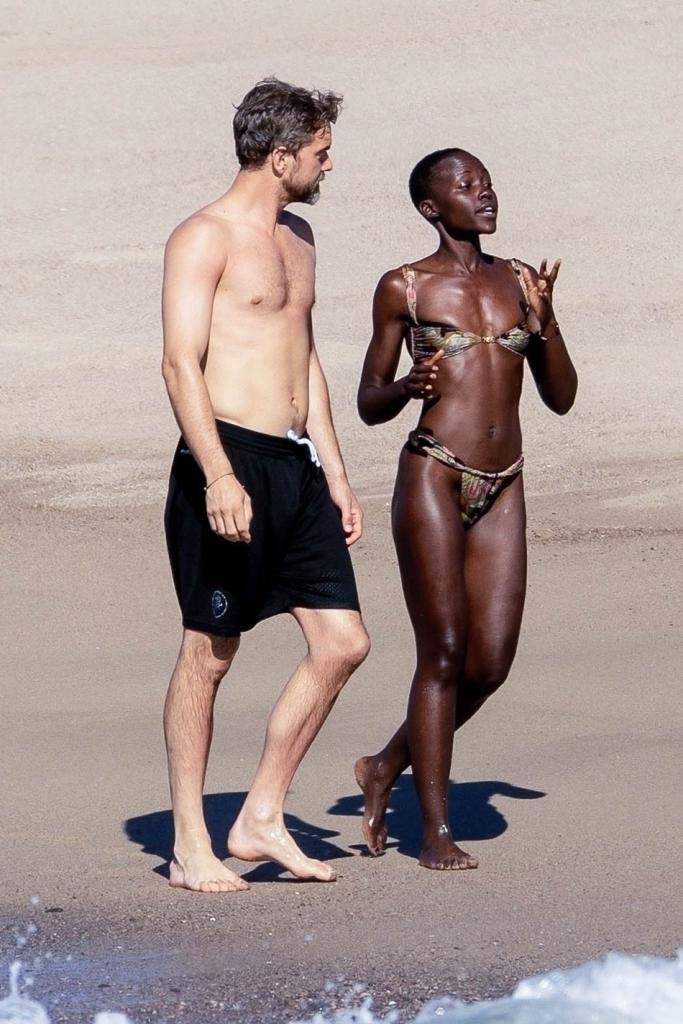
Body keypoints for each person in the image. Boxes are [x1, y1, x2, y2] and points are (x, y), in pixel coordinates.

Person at [161, 78, 370, 893]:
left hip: (296, 467)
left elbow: (304, 355)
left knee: (343, 642)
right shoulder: (202, 238)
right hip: (227, 459)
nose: (327, 164)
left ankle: (258, 817)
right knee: (209, 655)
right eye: (319, 151)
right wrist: (216, 473)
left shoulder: (300, 236)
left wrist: (339, 474)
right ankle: (189, 845)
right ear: (280, 156)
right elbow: (180, 363)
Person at [354, 148, 577, 870]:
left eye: (486, 183)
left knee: (490, 662)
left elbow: (561, 397)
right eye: (467, 187)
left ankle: (386, 764)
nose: (484, 195)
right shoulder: (405, 288)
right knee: (444, 652)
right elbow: (367, 401)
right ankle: (435, 830)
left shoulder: (517, 280)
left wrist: (543, 325)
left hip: (502, 479)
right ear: (430, 206)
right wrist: (406, 386)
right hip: (433, 476)